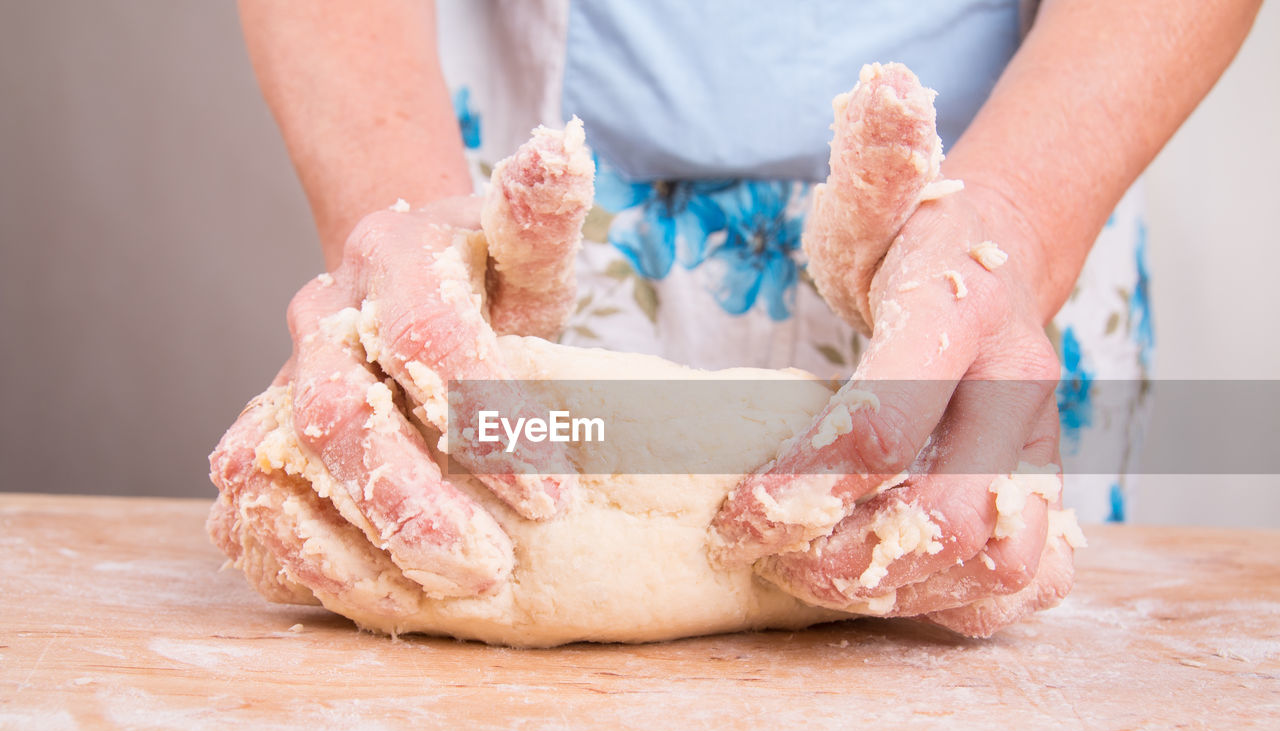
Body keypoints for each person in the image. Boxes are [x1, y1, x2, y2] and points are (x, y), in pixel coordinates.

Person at [227, 0, 1260, 633]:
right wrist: (395, 203)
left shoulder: (1001, 237)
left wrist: (1023, 216)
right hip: (527, 218)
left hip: (982, 238)